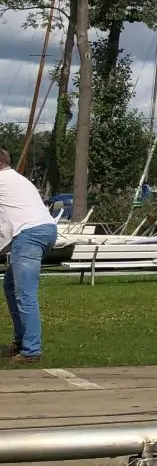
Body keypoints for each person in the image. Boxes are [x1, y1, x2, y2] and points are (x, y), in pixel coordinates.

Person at [0, 149, 58, 365]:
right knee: (11, 286)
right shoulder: (17, 179)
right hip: (45, 229)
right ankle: (21, 341)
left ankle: (31, 350)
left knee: (25, 294)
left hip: (30, 234)